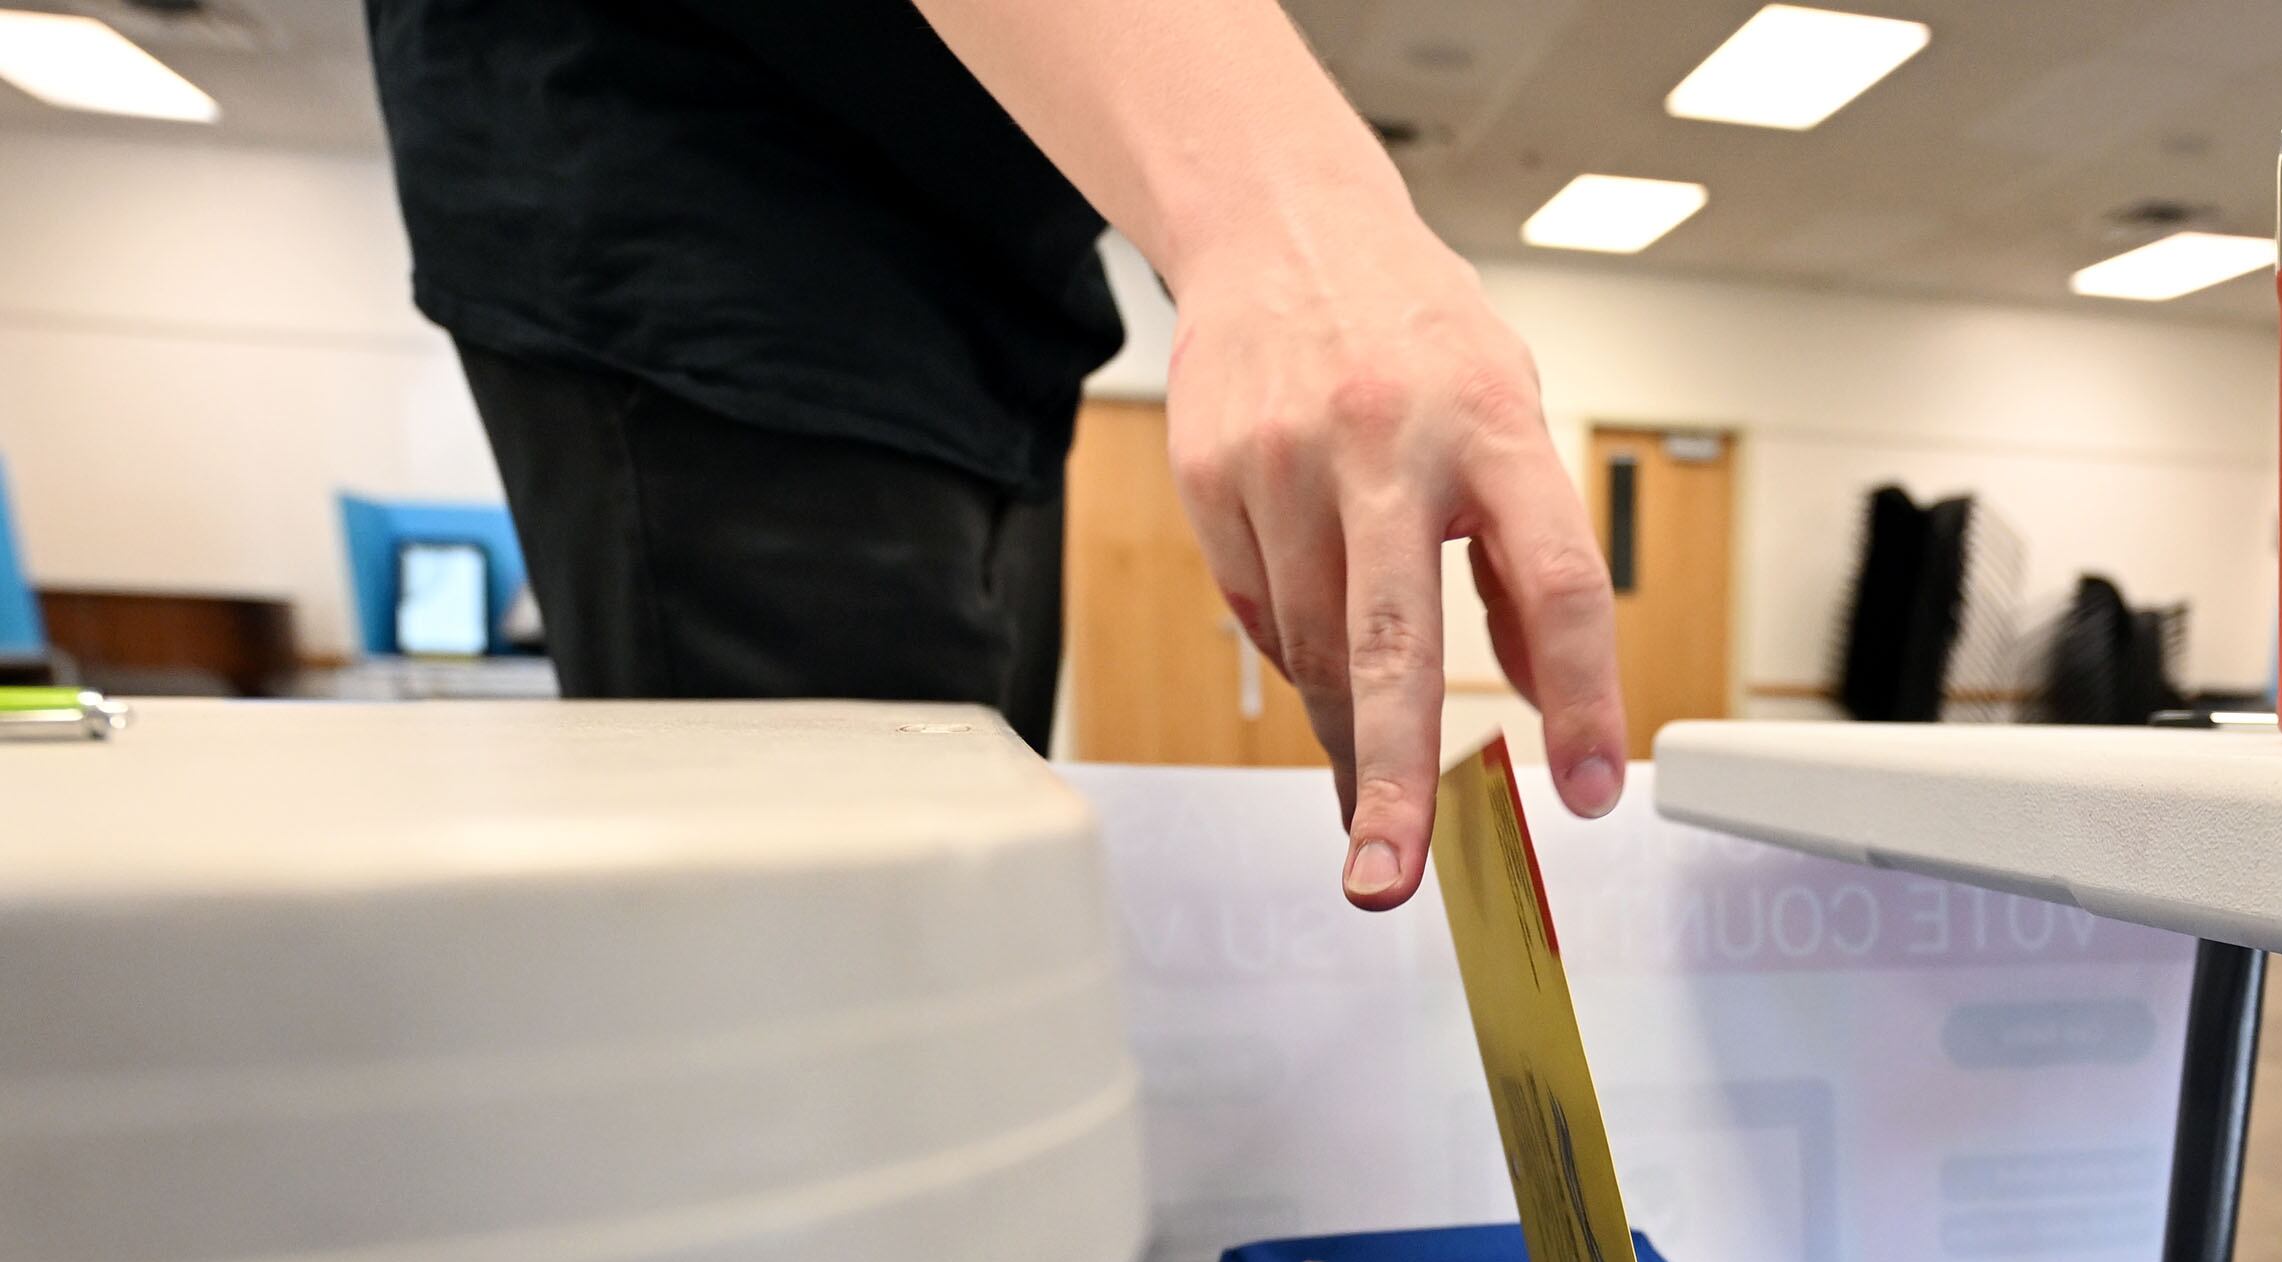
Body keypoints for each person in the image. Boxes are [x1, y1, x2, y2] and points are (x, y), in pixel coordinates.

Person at [364, 0, 1625, 910]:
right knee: (846, 978)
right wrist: (1290, 214)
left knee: (975, 893)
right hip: (708, 183)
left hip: (990, 253)